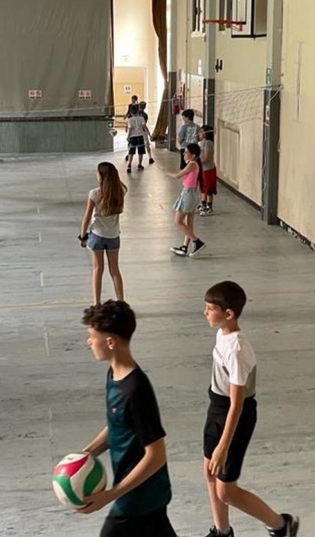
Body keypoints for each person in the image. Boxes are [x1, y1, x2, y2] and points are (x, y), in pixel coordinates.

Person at [201, 281, 299, 537]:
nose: (205, 312)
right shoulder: (222, 334)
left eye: (210, 308)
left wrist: (223, 446)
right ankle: (222, 531)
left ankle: (281, 525)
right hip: (217, 407)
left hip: (235, 415)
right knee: (209, 472)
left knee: (226, 491)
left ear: (229, 314)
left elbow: (238, 403)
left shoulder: (237, 350)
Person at [78, 301, 177, 537]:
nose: (89, 342)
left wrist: (110, 495)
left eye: (92, 337)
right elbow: (117, 425)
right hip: (143, 496)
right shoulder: (114, 374)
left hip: (140, 498)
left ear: (110, 342)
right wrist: (85, 455)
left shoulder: (135, 391)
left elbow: (156, 455)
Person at [79, 162, 126, 307]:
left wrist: (82, 236)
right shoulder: (121, 191)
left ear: (101, 176)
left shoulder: (94, 194)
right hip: (113, 236)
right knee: (115, 270)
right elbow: (120, 185)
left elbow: (87, 217)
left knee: (98, 269)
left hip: (97, 236)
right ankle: (121, 302)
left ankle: (97, 303)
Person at [168, 142, 204, 256]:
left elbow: (177, 176)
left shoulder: (192, 164)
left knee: (178, 222)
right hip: (191, 194)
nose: (184, 154)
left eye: (186, 152)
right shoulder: (194, 164)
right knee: (189, 223)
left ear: (193, 155)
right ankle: (184, 247)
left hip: (188, 194)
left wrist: (167, 173)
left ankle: (196, 241)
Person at [198, 124, 217, 216]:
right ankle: (203, 204)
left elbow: (207, 157)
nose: (199, 133)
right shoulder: (202, 143)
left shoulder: (208, 143)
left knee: (209, 188)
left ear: (206, 134)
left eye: (201, 132)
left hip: (208, 169)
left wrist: (197, 163)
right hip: (202, 169)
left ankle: (209, 207)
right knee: (203, 187)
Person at [124, 105, 149, 173]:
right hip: (140, 136)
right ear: (138, 111)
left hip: (133, 137)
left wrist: (128, 137)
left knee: (131, 152)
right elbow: (145, 127)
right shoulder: (141, 118)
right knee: (140, 152)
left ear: (131, 113)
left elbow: (130, 129)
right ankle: (140, 164)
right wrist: (149, 134)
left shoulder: (130, 120)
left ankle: (129, 165)